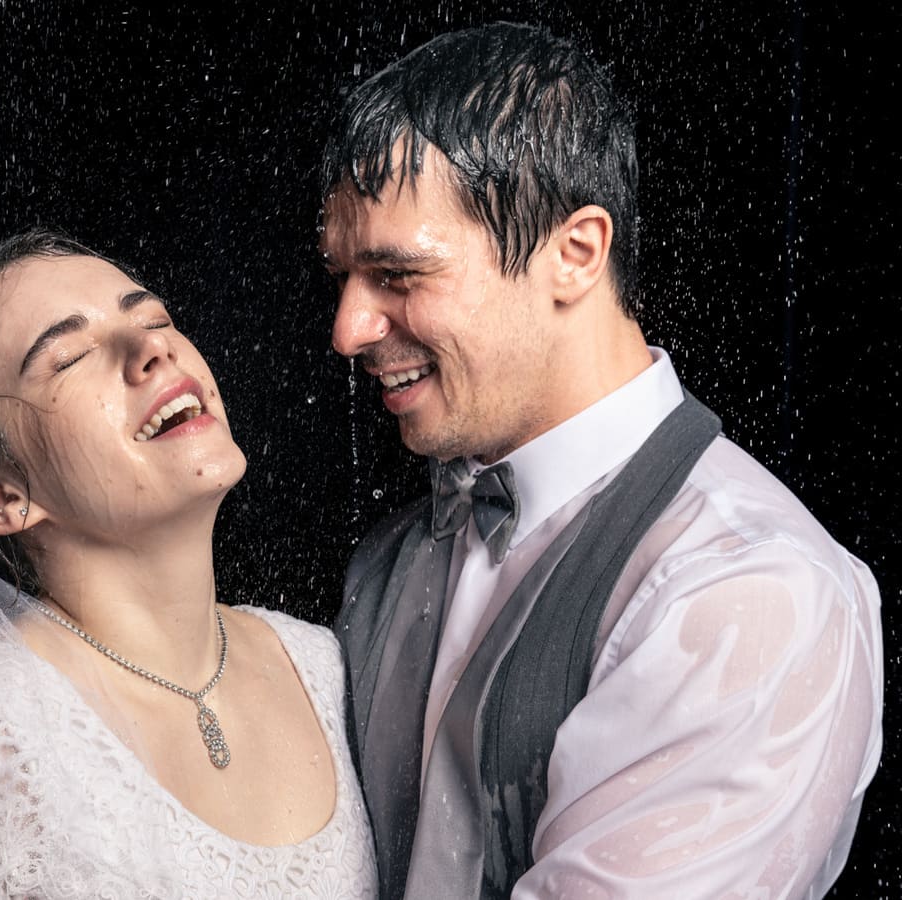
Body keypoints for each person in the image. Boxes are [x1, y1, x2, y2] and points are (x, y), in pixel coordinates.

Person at [318, 22, 883, 899]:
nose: (348, 330)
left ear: (575, 253)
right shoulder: (391, 555)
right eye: (343, 278)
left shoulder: (749, 590)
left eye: (398, 275)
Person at [0, 229, 376, 898]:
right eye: (70, 356)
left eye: (155, 319)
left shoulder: (322, 663)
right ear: (1, 496)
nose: (152, 349)